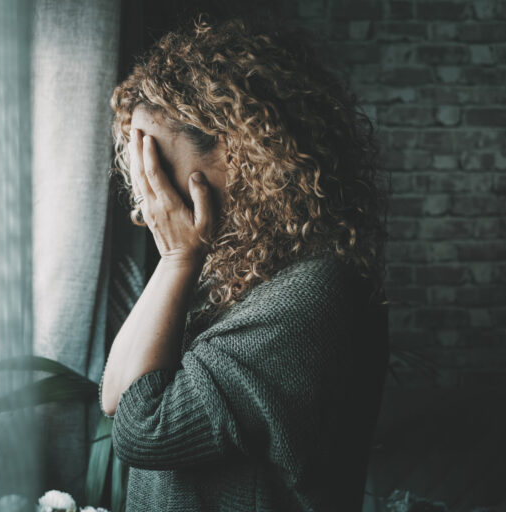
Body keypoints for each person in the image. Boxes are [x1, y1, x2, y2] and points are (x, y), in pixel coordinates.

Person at [99, 13, 390, 512]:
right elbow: (116, 398)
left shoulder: (314, 294)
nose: (148, 202)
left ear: (240, 154)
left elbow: (143, 429)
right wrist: (180, 260)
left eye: (159, 166)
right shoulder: (226, 268)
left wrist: (175, 258)